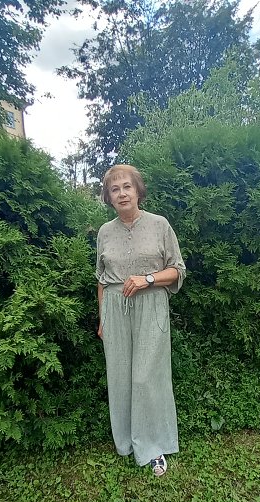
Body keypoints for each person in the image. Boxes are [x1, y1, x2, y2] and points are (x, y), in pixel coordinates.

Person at [96, 164, 186, 477]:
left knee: (147, 376)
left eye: (127, 187)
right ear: (108, 197)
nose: (122, 193)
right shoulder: (104, 232)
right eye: (115, 189)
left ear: (138, 191)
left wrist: (147, 278)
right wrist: (102, 319)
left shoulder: (160, 225)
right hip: (114, 308)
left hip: (151, 305)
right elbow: (101, 279)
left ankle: (153, 445)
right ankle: (126, 442)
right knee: (120, 375)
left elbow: (177, 270)